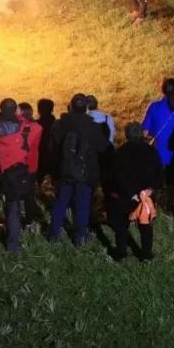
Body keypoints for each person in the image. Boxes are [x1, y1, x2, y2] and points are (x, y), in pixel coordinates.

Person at [48, 93, 110, 247]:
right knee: (82, 205)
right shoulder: (93, 127)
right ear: (87, 108)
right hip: (85, 172)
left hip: (65, 171)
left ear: (71, 106)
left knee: (61, 202)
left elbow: (52, 148)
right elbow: (104, 148)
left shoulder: (60, 124)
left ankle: (53, 234)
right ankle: (80, 238)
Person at [0, 99, 39, 253]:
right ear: (15, 111)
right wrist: (20, 115)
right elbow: (37, 128)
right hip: (13, 174)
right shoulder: (23, 127)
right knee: (13, 209)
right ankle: (13, 245)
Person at [108, 123, 163, 260]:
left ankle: (121, 254)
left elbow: (117, 176)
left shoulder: (120, 152)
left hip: (126, 196)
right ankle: (146, 255)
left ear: (127, 135)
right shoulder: (151, 151)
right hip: (146, 196)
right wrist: (150, 190)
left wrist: (130, 193)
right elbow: (159, 173)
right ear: (142, 134)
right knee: (145, 226)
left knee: (121, 226)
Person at [141, 78, 174, 183]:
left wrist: (151, 137)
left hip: (159, 155)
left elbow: (143, 132)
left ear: (162, 90)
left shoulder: (154, 106)